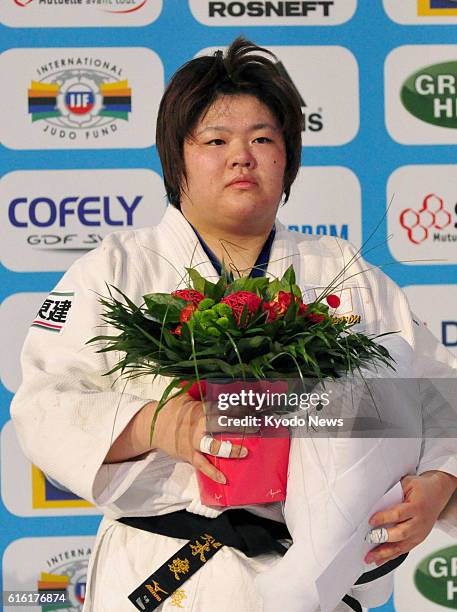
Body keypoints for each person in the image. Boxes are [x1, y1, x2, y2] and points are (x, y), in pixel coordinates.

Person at [11, 38, 457, 612]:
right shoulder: (113, 269)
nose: (242, 156)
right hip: (167, 573)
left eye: (263, 139)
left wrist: (439, 485)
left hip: (316, 579)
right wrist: (157, 424)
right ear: (178, 160)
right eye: (216, 140)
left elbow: (440, 394)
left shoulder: (346, 275)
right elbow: (44, 404)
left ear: (288, 159)